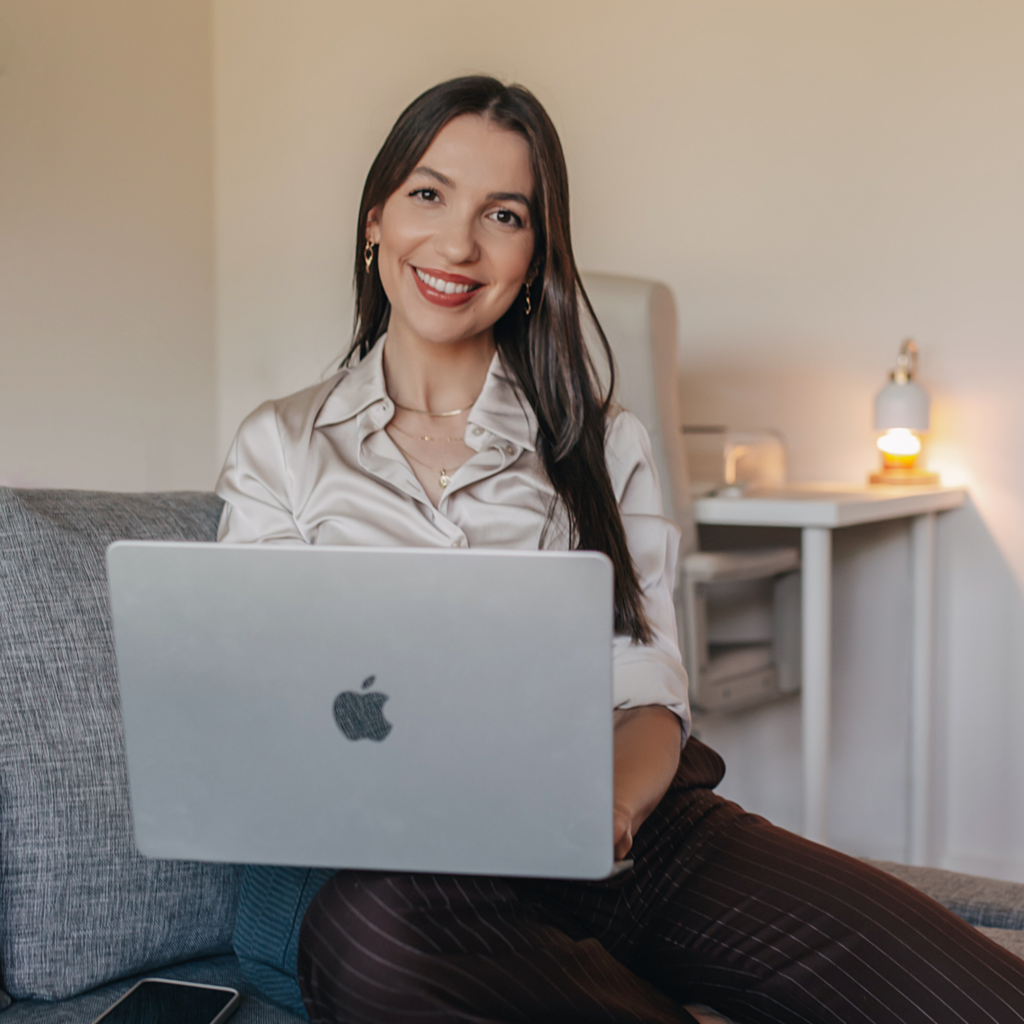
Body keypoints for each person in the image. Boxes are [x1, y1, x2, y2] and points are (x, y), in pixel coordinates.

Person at [215, 76, 1024, 1024]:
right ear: (374, 220)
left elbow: (646, 687)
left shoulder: (604, 443)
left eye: (503, 214)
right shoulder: (279, 446)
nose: (458, 243)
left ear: (536, 253)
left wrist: (608, 807)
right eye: (428, 195)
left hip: (624, 835)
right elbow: (263, 713)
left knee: (975, 997)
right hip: (394, 876)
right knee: (378, 943)